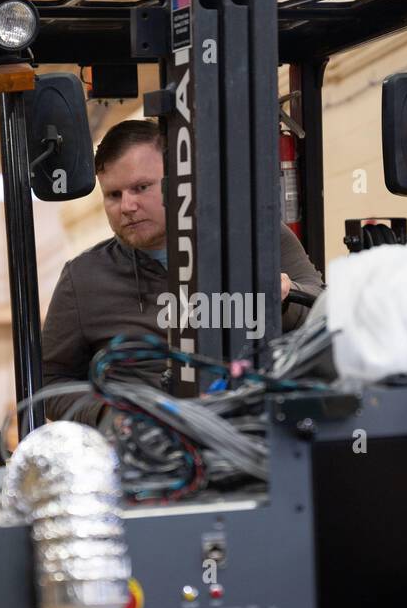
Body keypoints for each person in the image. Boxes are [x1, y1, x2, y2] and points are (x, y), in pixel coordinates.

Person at [39, 119, 324, 425]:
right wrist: (109, 415)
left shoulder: (259, 239)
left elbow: (323, 313)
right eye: (113, 195)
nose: (127, 206)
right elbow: (51, 382)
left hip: (253, 433)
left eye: (141, 187)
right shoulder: (84, 279)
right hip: (147, 453)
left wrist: (283, 299)